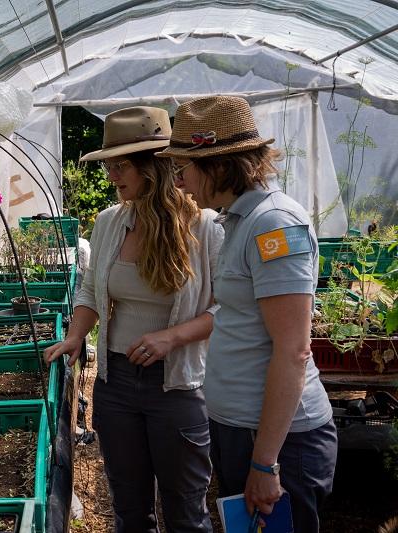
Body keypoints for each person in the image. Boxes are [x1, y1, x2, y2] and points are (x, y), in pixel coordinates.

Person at [156, 95, 337, 533]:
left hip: (278, 440)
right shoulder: (238, 221)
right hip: (244, 429)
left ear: (218, 165)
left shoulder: (273, 225)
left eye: (184, 170)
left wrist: (265, 463)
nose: (179, 184)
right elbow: (240, 317)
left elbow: (293, 351)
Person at [44, 106, 223, 533]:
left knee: (186, 512)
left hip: (178, 386)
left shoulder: (204, 226)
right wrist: (74, 336)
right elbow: (90, 290)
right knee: (130, 509)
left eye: (121, 165)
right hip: (116, 383)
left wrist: (171, 338)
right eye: (109, 165)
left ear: (154, 165)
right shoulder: (110, 222)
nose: (112, 175)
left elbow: (227, 310)